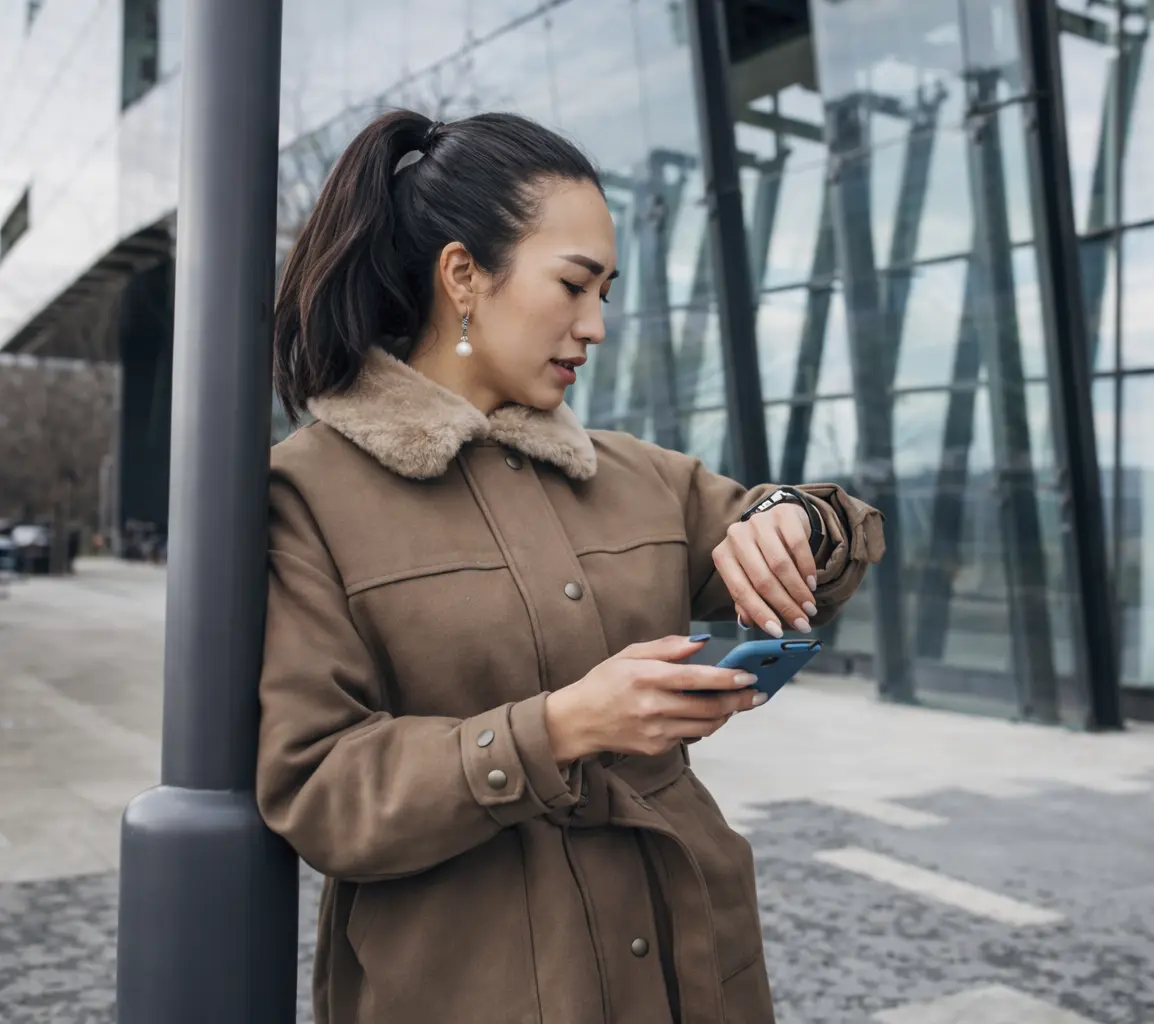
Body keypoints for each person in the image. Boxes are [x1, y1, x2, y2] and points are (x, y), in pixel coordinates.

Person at [255, 109, 884, 1024]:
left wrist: (794, 518)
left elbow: (832, 533)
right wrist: (558, 729)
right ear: (463, 275)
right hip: (471, 986)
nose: (596, 326)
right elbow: (318, 786)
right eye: (574, 285)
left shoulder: (636, 475)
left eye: (607, 292)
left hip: (691, 967)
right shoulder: (307, 495)